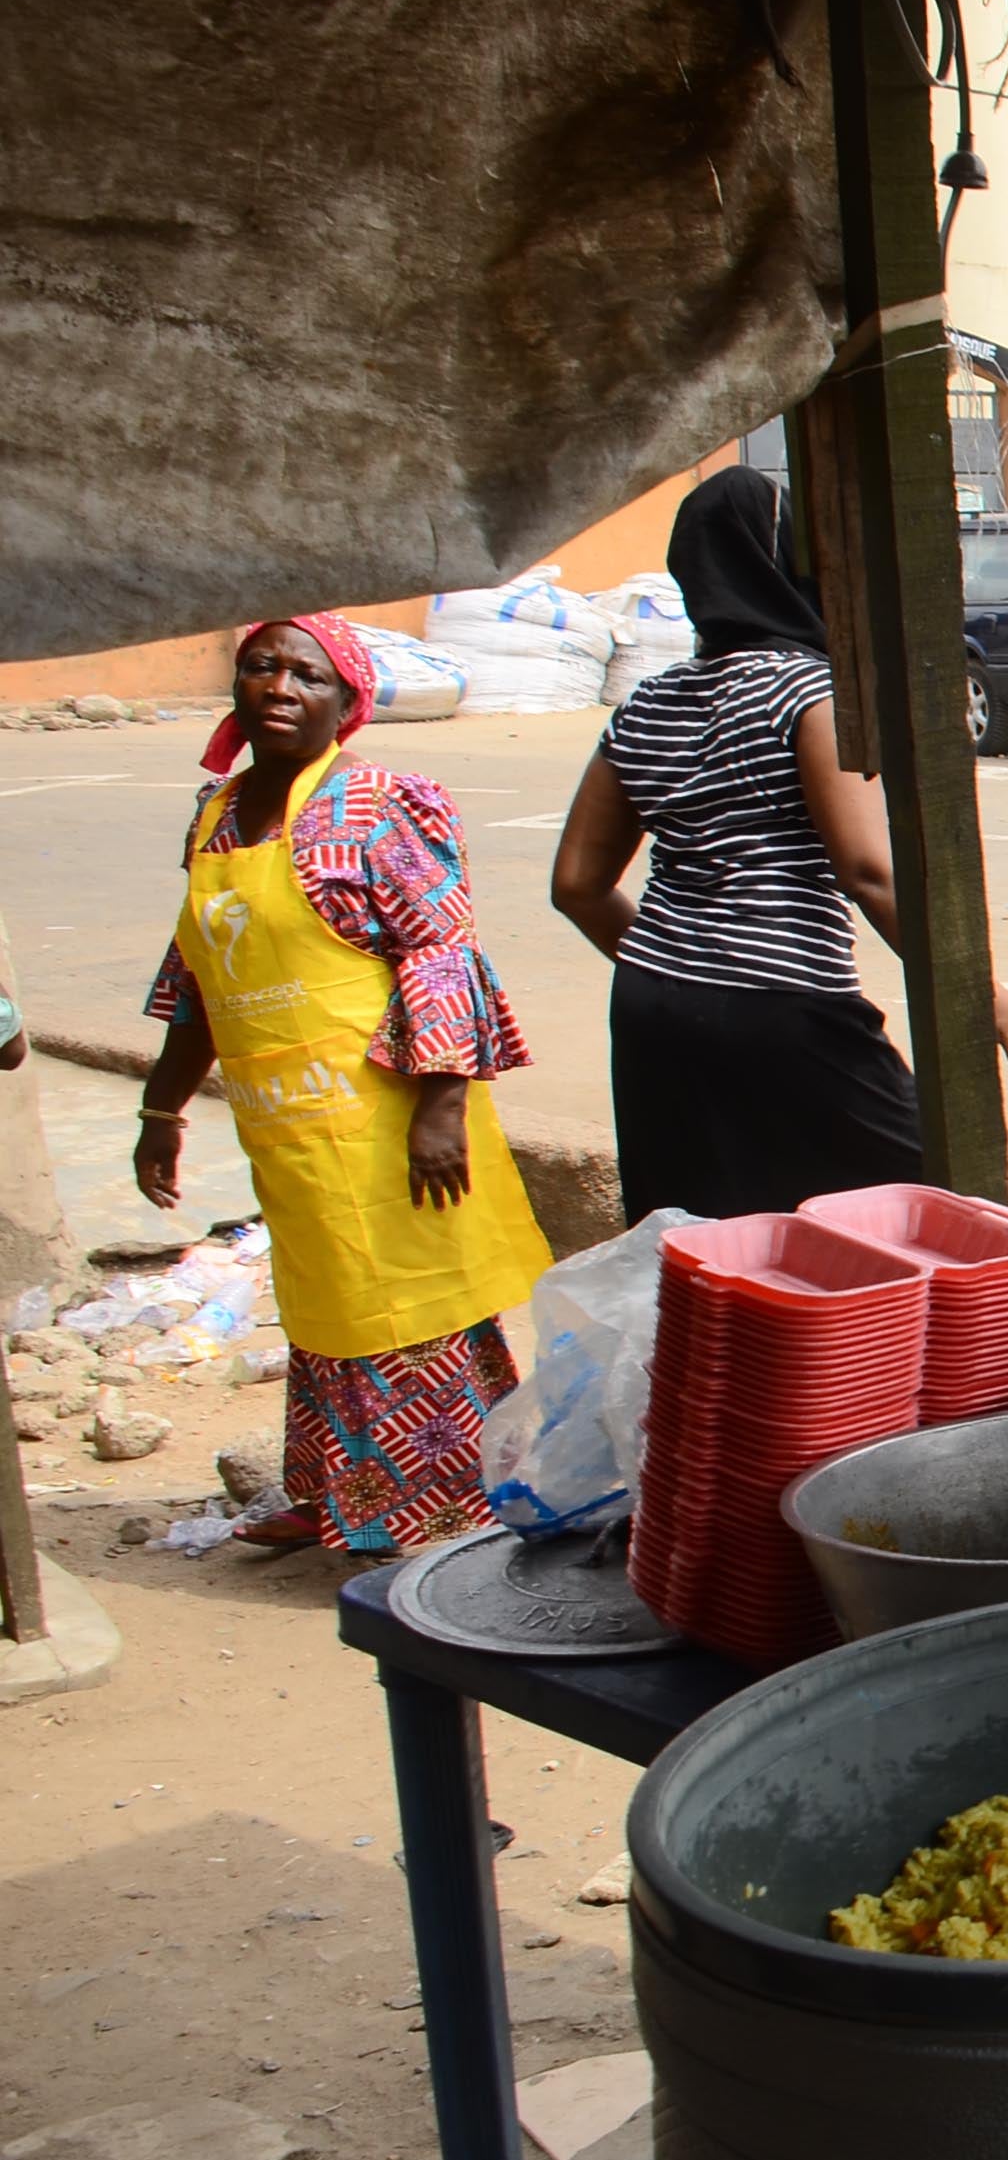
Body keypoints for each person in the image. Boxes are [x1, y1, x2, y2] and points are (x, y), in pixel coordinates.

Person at [554, 468, 1008, 1220]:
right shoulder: (808, 692)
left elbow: (575, 884)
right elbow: (869, 873)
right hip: (784, 1007)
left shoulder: (648, 703)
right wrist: (1005, 1016)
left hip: (652, 1007)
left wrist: (689, 971)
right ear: (792, 561)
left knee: (705, 1238)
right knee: (928, 1205)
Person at [137, 614, 551, 1554]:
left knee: (412, 1304)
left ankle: (446, 1513)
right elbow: (197, 977)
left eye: (306, 676)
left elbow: (441, 952)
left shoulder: (377, 803)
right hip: (285, 1121)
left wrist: (442, 1104)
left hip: (392, 1116)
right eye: (260, 668)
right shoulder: (214, 815)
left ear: (346, 702)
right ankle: (335, 1493)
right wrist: (161, 1109)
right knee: (324, 1300)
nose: (280, 688)